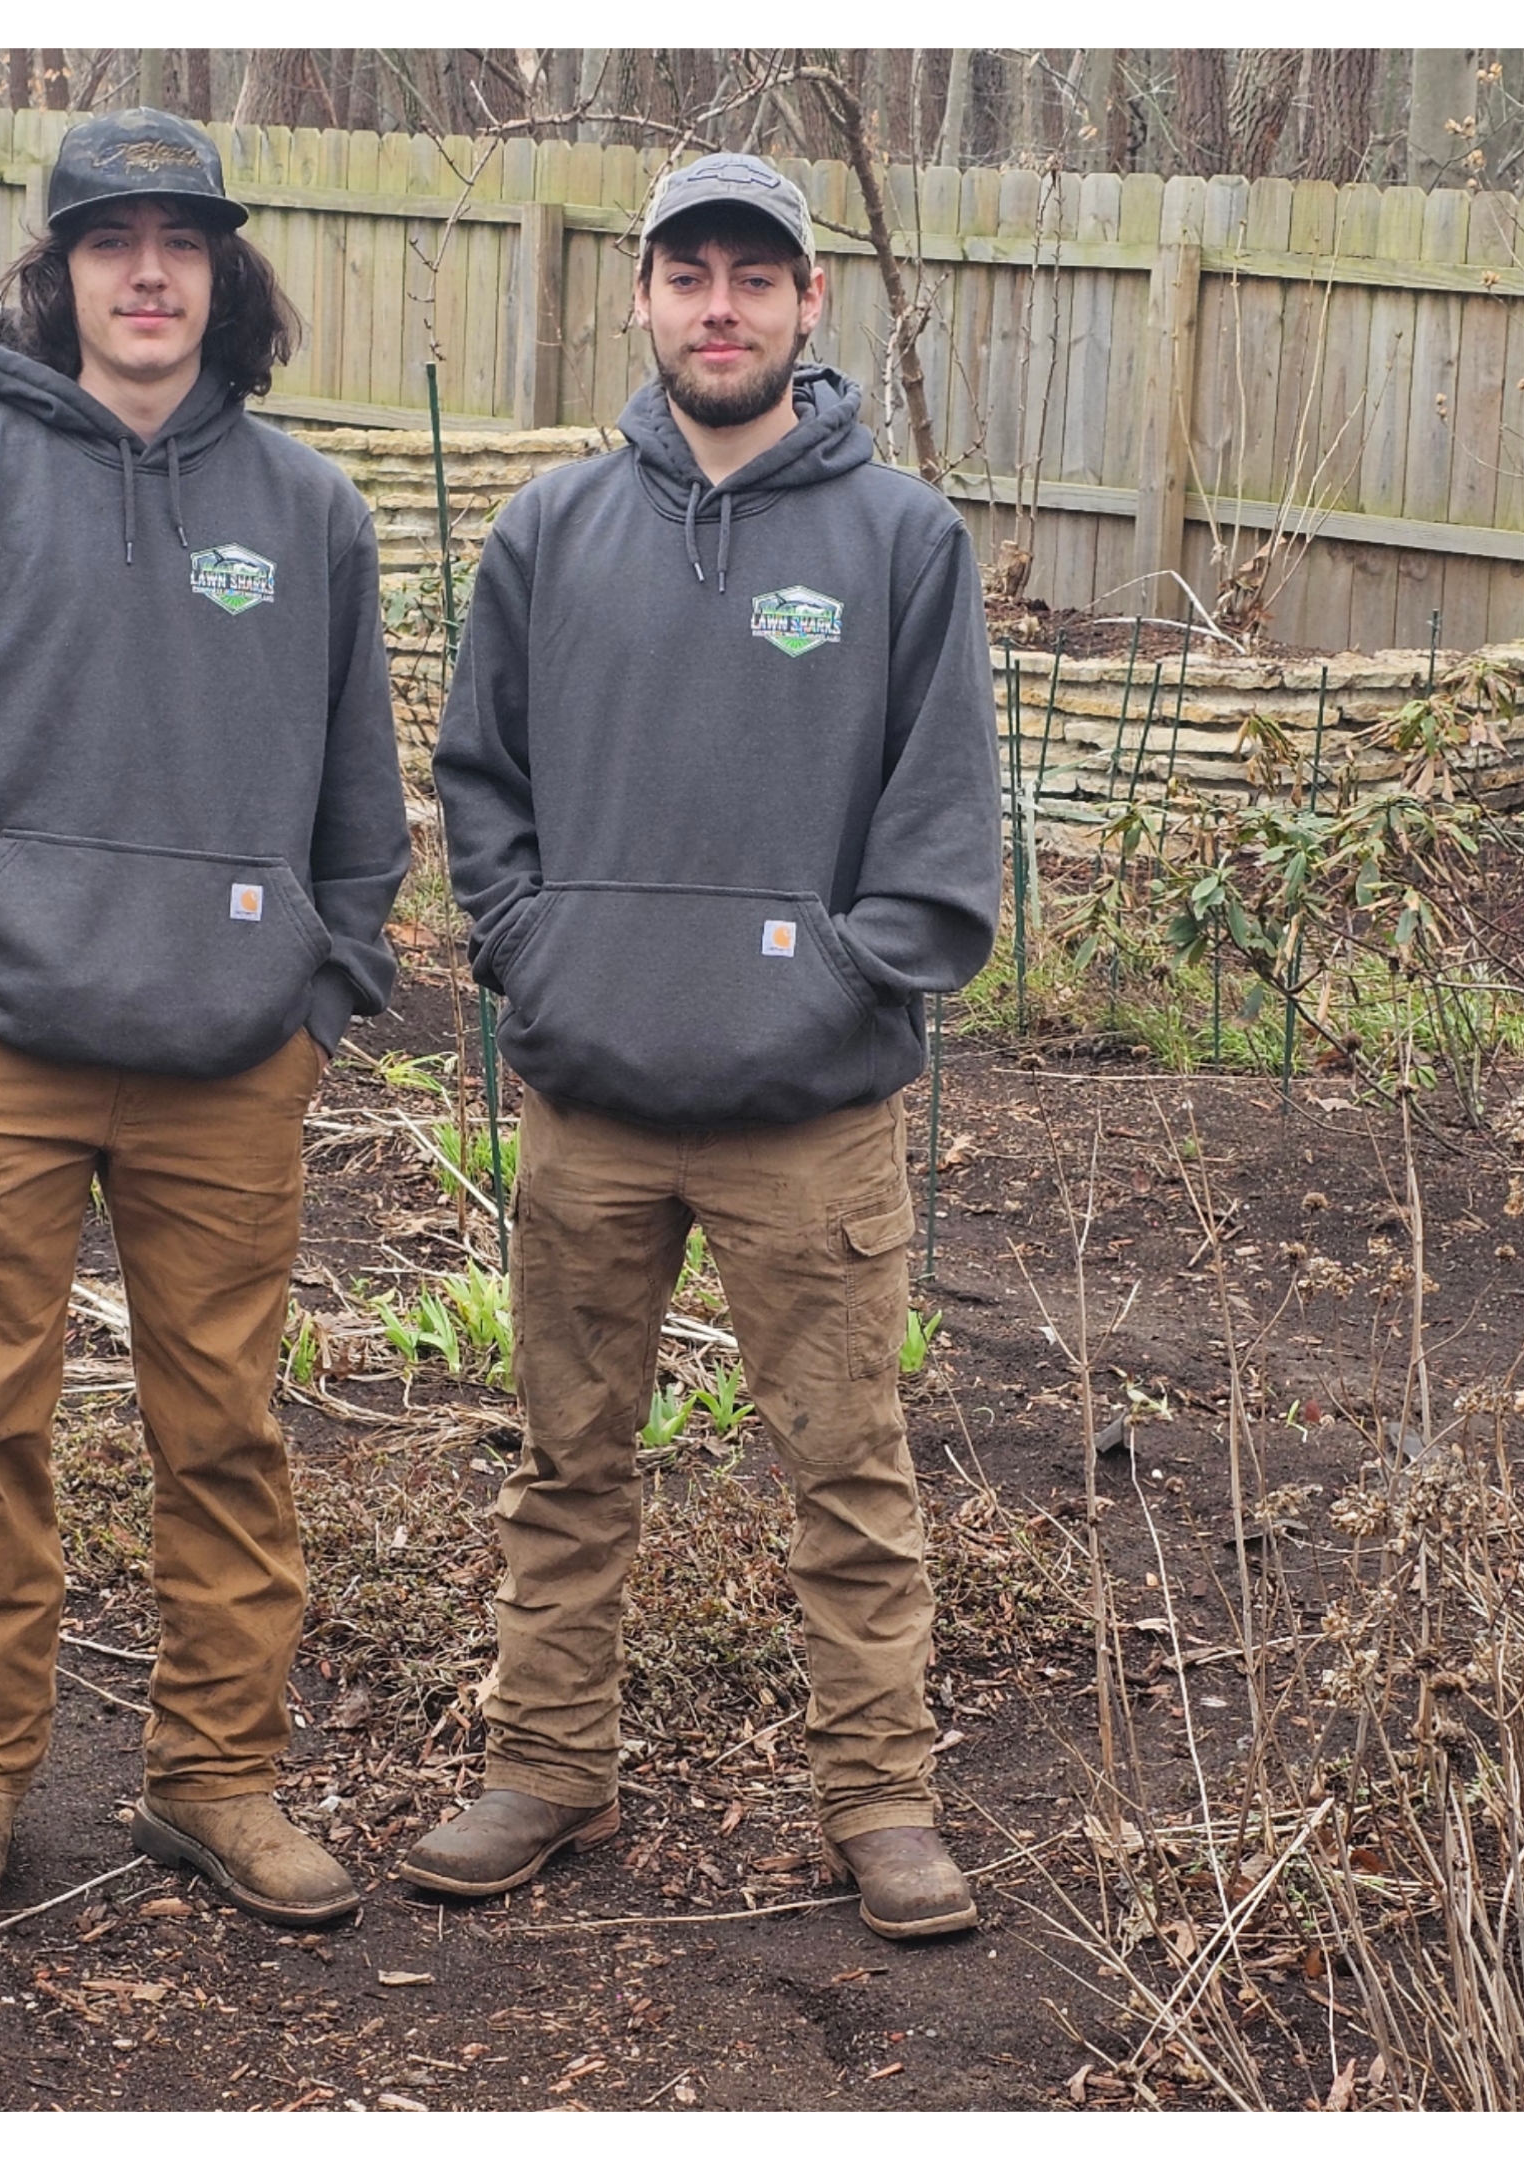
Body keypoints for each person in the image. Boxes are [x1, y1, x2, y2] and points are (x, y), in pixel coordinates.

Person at [0, 108, 409, 1926]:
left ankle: (217, 1779)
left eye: (181, 243)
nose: (149, 274)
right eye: (110, 241)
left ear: (225, 275)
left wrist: (318, 1008)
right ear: (57, 273)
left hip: (231, 1065)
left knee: (224, 1435)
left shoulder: (309, 515)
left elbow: (362, 814)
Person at [408, 151, 1000, 1938]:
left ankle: (879, 1803)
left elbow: (942, 831)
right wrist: (541, 957)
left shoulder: (900, 542)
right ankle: (547, 1767)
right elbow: (480, 783)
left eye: (755, 276)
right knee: (566, 1458)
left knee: (848, 1472)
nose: (719, 307)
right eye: (689, 275)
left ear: (810, 302)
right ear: (644, 298)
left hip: (809, 1117)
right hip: (592, 1101)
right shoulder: (551, 532)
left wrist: (836, 988)